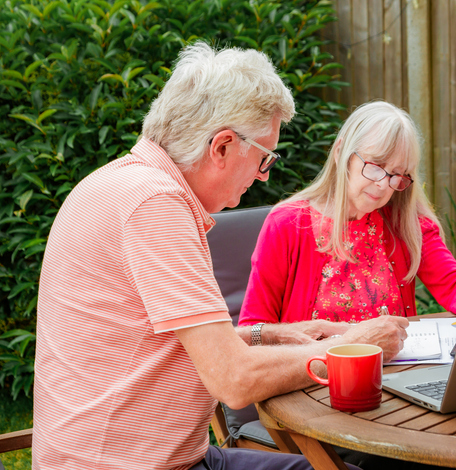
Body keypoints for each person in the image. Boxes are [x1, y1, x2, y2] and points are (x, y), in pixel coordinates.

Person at [32, 43, 408, 470]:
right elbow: (234, 379)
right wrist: (353, 345)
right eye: (264, 158)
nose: (263, 175)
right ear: (223, 146)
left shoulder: (119, 183)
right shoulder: (155, 206)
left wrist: (274, 335)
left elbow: (168, 345)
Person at [239, 101, 456, 331]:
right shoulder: (287, 224)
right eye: (375, 167)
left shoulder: (405, 221)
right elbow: (255, 328)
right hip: (313, 373)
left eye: (397, 175)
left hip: (395, 372)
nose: (383, 185)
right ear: (340, 153)